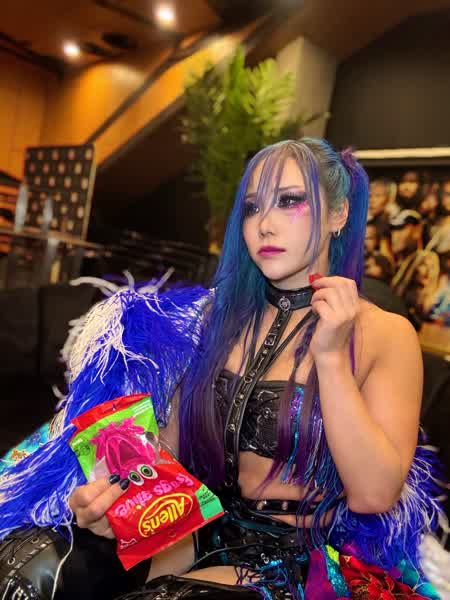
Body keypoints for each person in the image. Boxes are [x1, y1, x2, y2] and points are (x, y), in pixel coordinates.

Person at [0, 139, 444, 600]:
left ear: (338, 214)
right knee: (26, 569)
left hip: (295, 563)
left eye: (289, 201)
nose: (265, 224)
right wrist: (112, 502)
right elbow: (167, 454)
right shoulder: (216, 318)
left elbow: (374, 494)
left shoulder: (385, 334)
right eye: (252, 207)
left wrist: (331, 358)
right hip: (188, 535)